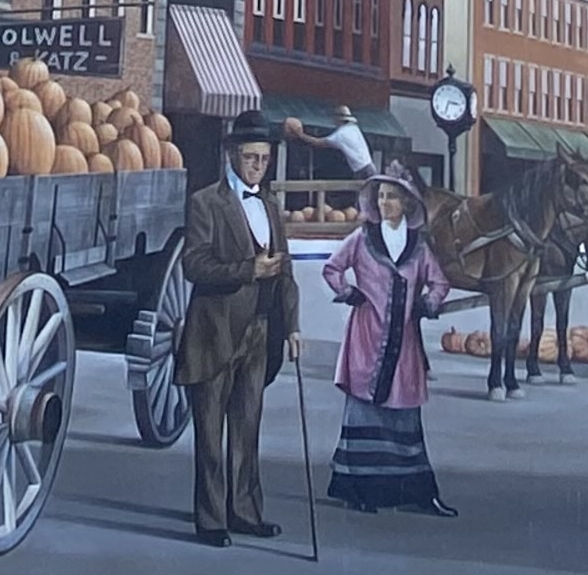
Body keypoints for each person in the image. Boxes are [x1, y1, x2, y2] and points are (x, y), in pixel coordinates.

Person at [177, 120, 300, 545]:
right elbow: (194, 265)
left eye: (264, 160)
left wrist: (294, 327)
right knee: (211, 435)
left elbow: (286, 273)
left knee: (247, 429)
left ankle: (245, 511)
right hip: (214, 334)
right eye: (251, 158)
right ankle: (211, 519)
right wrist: (248, 270)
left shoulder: (269, 206)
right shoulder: (206, 202)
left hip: (260, 332)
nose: (258, 168)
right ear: (232, 155)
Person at [324, 168, 457, 517]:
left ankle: (416, 492)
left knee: (403, 408)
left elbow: (439, 283)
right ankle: (359, 490)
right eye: (381, 196)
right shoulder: (360, 238)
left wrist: (428, 303)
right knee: (364, 406)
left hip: (404, 339)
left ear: (407, 203)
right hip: (367, 335)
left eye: (392, 196)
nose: (385, 203)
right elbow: (332, 269)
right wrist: (350, 293)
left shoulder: (419, 246)